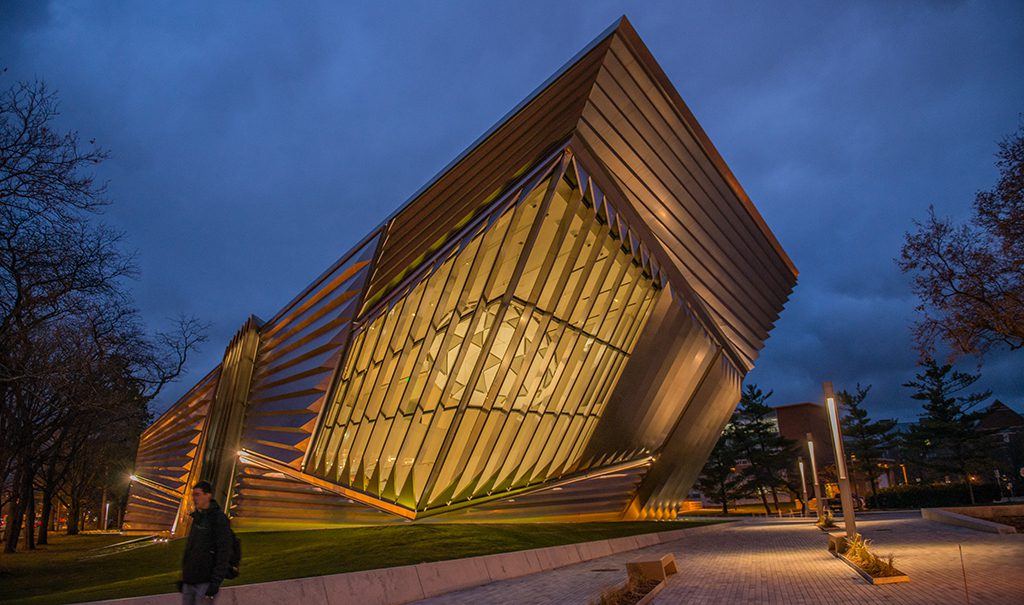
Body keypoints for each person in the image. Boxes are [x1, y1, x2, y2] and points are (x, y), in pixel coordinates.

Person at [179, 481, 232, 603]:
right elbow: (190, 548)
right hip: (189, 581)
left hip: (205, 583)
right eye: (193, 495)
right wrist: (185, 576)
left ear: (208, 495)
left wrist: (215, 582)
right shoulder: (197, 518)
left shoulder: (218, 519)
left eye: (197, 495)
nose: (194, 498)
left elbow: (224, 551)